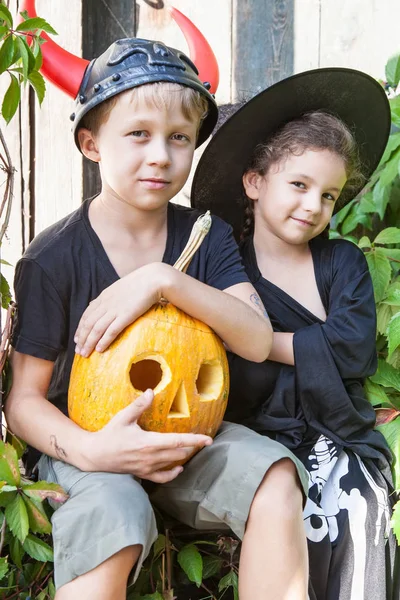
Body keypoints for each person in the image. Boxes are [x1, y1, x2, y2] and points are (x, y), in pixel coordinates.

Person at [4, 28, 310, 600]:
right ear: (92, 144)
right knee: (110, 515)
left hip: (188, 435)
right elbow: (23, 402)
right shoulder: (53, 258)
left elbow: (254, 336)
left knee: (274, 476)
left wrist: (163, 280)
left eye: (178, 138)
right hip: (87, 446)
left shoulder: (204, 234)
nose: (160, 156)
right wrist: (93, 450)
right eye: (138, 135)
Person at [192, 67, 399, 600]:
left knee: (359, 499)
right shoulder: (227, 270)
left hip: (338, 434)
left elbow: (351, 351)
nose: (314, 207)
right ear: (255, 182)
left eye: (329, 196)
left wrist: (261, 341)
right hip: (259, 435)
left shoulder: (341, 263)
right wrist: (296, 344)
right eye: (299, 185)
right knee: (286, 506)